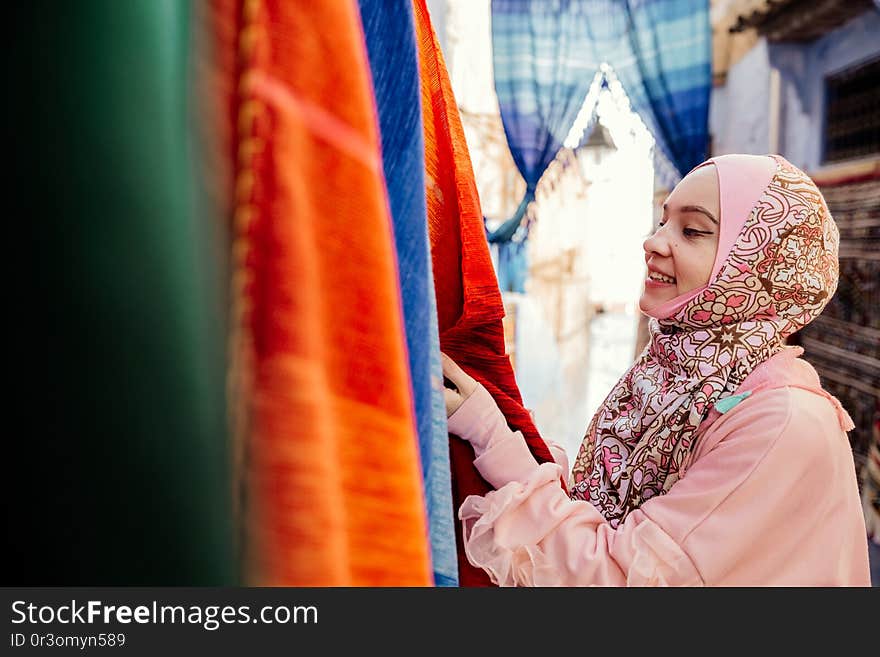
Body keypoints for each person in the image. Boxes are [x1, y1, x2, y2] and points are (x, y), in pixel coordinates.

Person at [441, 154, 871, 586]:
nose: (654, 242)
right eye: (663, 222)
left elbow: (619, 577)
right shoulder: (677, 372)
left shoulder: (779, 422)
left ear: (757, 263)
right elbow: (605, 507)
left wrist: (494, 440)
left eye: (693, 231)